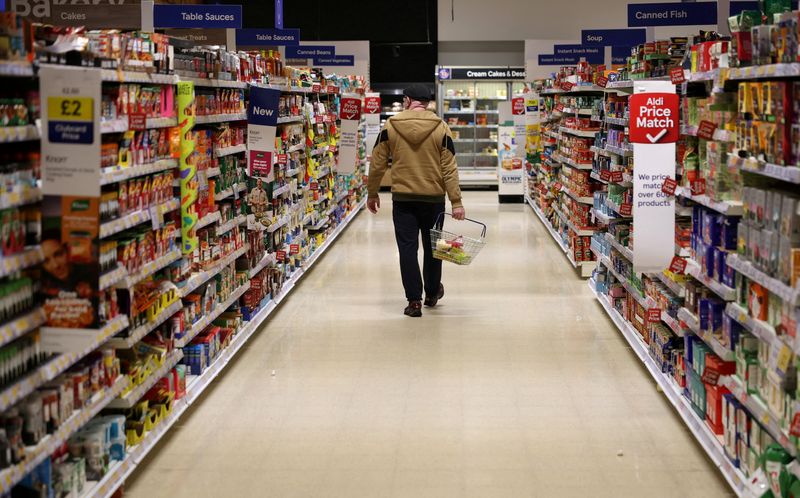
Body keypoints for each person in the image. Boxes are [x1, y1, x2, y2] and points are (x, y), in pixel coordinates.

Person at [367, 84, 465, 318]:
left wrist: (372, 192)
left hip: (403, 199)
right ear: (429, 102)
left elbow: (378, 162)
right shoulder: (441, 127)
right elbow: (449, 167)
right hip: (433, 199)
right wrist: (456, 201)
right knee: (434, 248)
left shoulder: (390, 125)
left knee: (407, 249)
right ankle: (432, 293)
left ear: (408, 100)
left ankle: (414, 301)